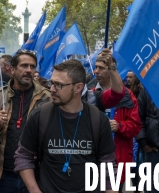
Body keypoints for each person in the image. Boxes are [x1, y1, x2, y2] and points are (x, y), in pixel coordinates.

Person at [15, 59, 117, 193]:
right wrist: (34, 190)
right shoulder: (40, 116)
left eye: (59, 85)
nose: (51, 89)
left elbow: (108, 166)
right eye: (52, 83)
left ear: (78, 87)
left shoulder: (98, 119)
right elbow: (23, 156)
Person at [0, 50, 51, 192]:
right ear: (13, 69)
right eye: (24, 66)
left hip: (35, 174)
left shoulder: (47, 98)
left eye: (32, 67)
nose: (29, 70)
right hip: (3, 175)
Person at [93, 55, 140, 190]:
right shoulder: (90, 93)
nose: (96, 71)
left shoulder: (128, 96)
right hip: (93, 162)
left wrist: (119, 126)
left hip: (118, 160)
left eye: (101, 68)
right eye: (96, 67)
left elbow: (136, 127)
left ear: (111, 70)